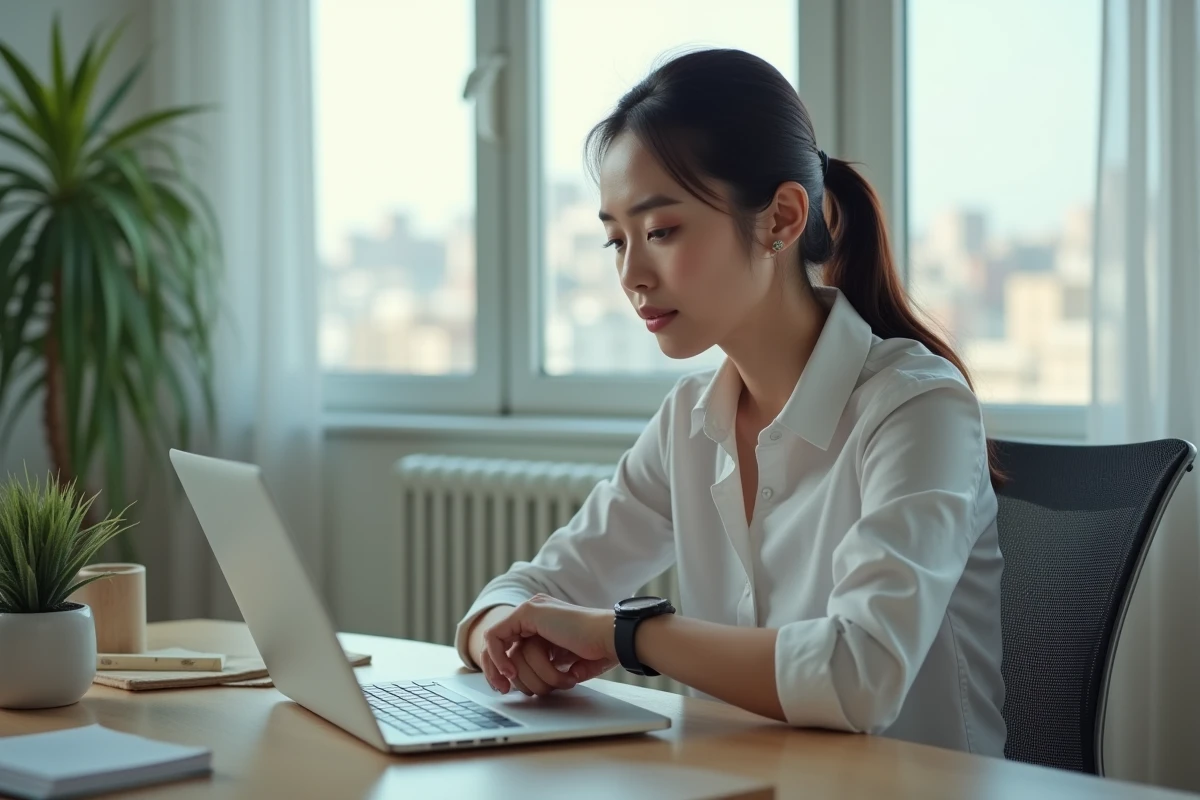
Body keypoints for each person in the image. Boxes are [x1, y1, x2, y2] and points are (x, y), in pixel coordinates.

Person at [456, 48, 1006, 757]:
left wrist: (623, 635)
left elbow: (859, 674)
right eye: (614, 240)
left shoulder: (917, 407)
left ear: (780, 219)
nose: (630, 274)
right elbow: (534, 584)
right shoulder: (689, 420)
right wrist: (495, 630)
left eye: (660, 232)